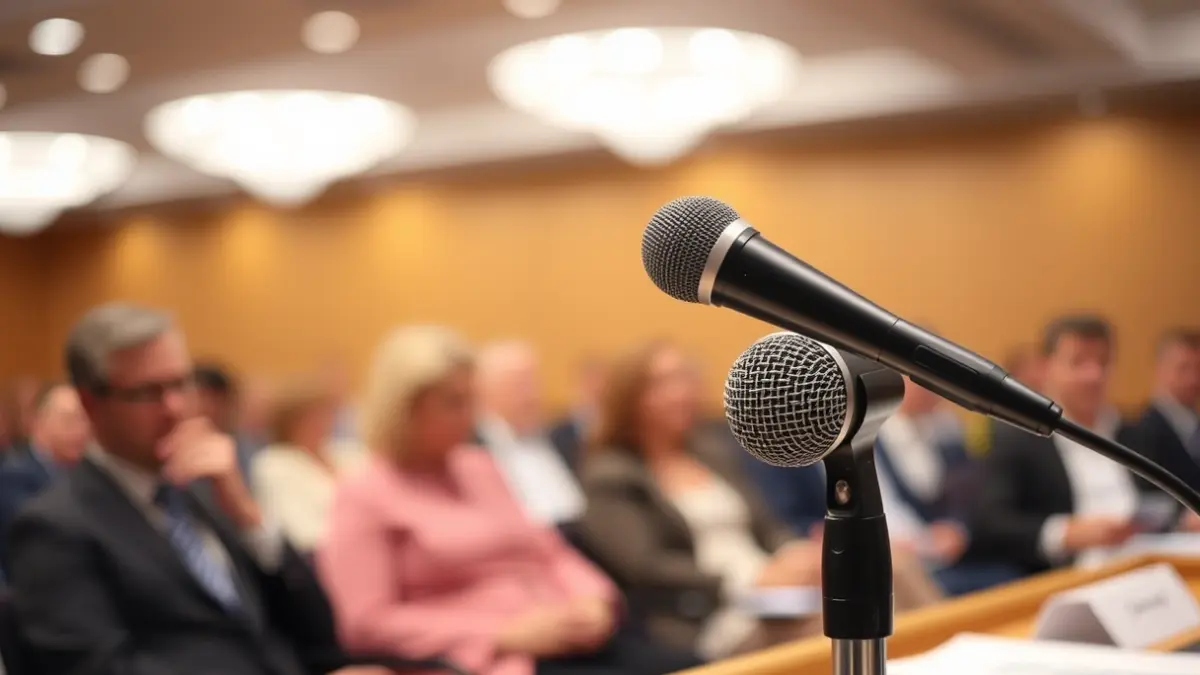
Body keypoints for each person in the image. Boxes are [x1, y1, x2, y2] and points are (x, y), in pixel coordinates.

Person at [5, 302, 383, 675]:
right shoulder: (53, 529)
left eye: (180, 384)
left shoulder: (204, 493)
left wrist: (249, 517)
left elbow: (320, 635)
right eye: (148, 392)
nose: (174, 407)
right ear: (91, 403)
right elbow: (103, 668)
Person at [318, 325, 697, 675]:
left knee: (704, 667)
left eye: (472, 400)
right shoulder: (363, 494)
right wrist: (499, 634)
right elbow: (366, 622)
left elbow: (549, 551)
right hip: (497, 660)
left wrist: (593, 600)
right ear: (404, 408)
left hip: (573, 637)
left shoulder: (479, 467)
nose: (471, 416)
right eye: (453, 403)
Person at [579, 341, 941, 659]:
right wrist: (751, 581)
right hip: (710, 611)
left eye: (686, 377)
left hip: (775, 589)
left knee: (895, 566)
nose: (683, 391)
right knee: (845, 626)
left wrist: (793, 555)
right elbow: (647, 568)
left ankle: (954, 652)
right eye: (665, 382)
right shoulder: (610, 475)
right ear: (630, 396)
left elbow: (766, 524)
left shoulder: (710, 452)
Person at [968, 315, 1143, 575]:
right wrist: (1064, 533)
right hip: (1073, 573)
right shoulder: (1017, 438)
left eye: (1103, 362)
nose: (1093, 375)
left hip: (1144, 557)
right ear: (1047, 366)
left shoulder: (1133, 431)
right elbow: (990, 523)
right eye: (1078, 363)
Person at [252, 385, 366, 551]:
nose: (321, 421)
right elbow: (300, 533)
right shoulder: (275, 463)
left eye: (325, 413)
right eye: (312, 416)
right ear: (290, 422)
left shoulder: (347, 452)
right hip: (322, 557)